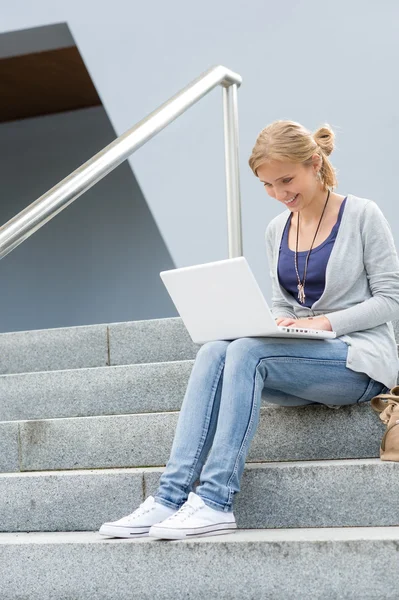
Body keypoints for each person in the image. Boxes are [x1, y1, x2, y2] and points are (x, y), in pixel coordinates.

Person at [99, 120, 399, 541]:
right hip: (302, 357)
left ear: (315, 164)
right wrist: (275, 322)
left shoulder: (363, 215)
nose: (279, 193)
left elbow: (390, 299)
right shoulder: (277, 229)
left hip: (359, 361)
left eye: (286, 180)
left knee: (244, 352)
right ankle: (169, 498)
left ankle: (217, 501)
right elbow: (283, 302)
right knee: (215, 350)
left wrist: (323, 323)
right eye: (267, 185)